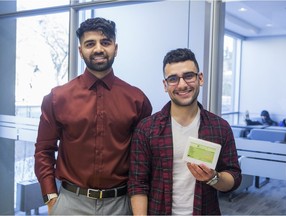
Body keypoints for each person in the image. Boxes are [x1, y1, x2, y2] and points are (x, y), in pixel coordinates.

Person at [34, 17, 152, 215]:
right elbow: (43, 151)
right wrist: (50, 196)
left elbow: (144, 158)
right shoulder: (57, 98)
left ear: (116, 48)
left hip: (121, 205)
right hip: (70, 204)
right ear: (80, 51)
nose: (98, 49)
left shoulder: (137, 99)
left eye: (105, 42)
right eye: (90, 44)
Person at [128, 48, 242, 215]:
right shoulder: (147, 129)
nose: (182, 85)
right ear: (165, 85)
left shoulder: (220, 127)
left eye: (188, 76)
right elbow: (138, 183)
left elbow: (234, 177)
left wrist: (213, 178)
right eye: (173, 79)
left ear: (200, 78)